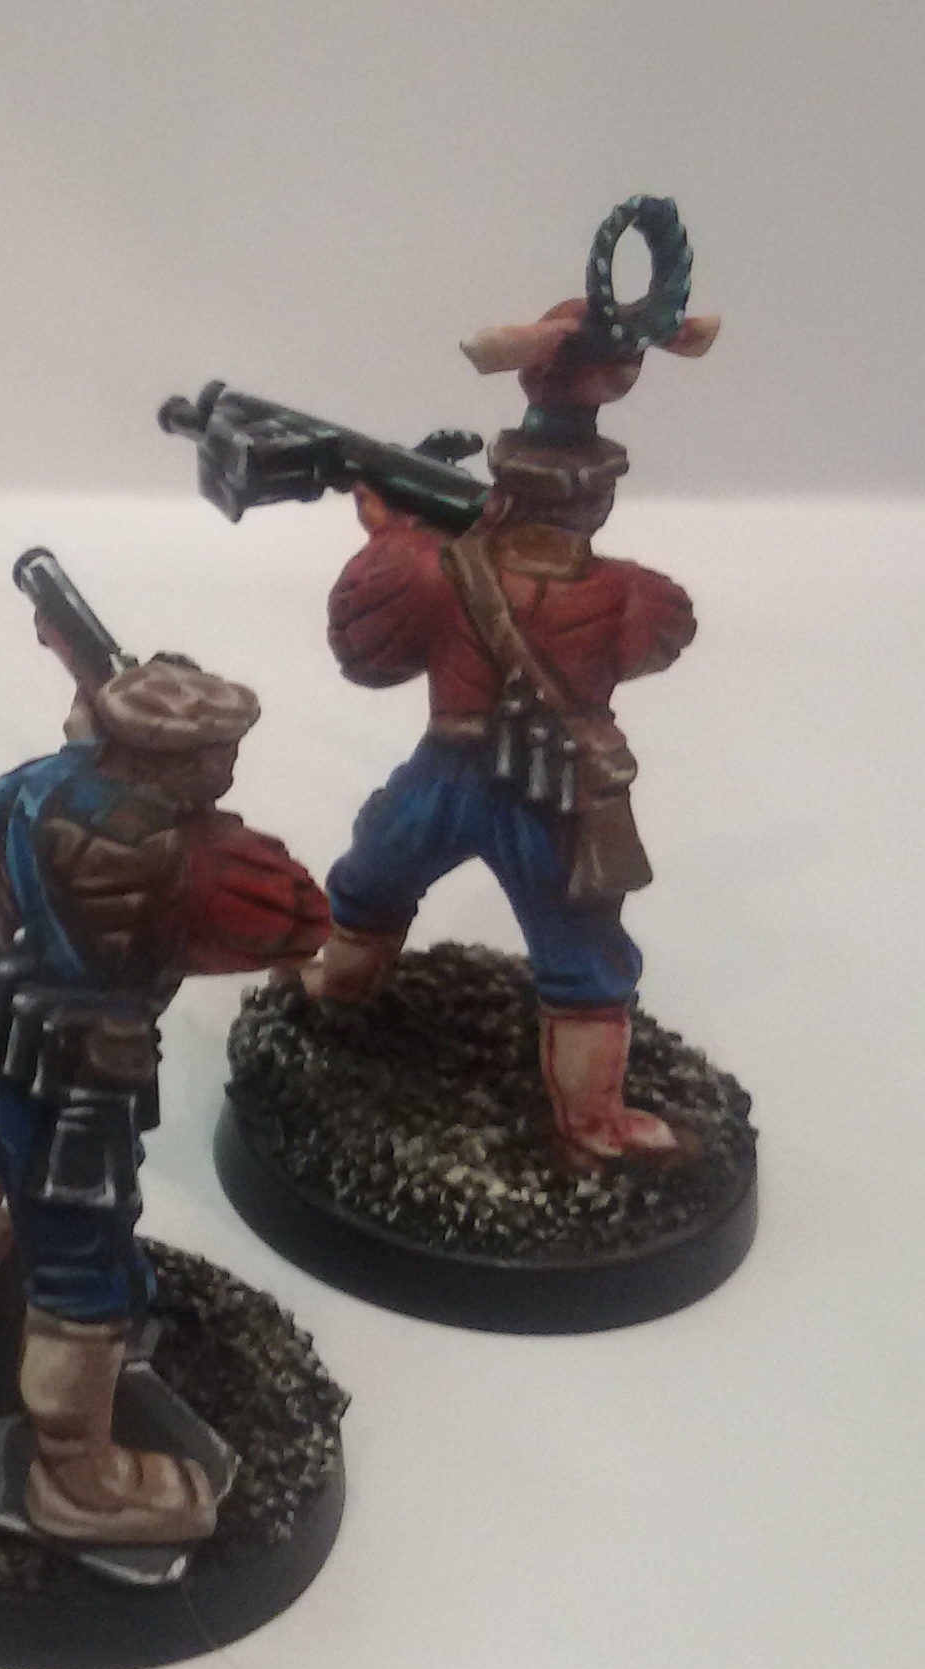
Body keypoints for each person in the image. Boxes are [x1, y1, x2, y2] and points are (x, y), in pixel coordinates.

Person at [0, 657, 329, 1544]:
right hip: (78, 1078)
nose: (229, 765)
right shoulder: (206, 858)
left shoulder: (31, 786)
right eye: (221, 752)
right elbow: (297, 919)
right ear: (191, 759)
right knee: (82, 1265)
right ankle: (75, 1479)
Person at [303, 290, 718, 1169]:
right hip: (539, 790)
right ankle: (589, 1116)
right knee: (538, 937)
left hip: (476, 779)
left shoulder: (431, 570)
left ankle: (344, 988)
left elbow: (367, 654)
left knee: (383, 878)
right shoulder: (634, 595)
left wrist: (390, 543)